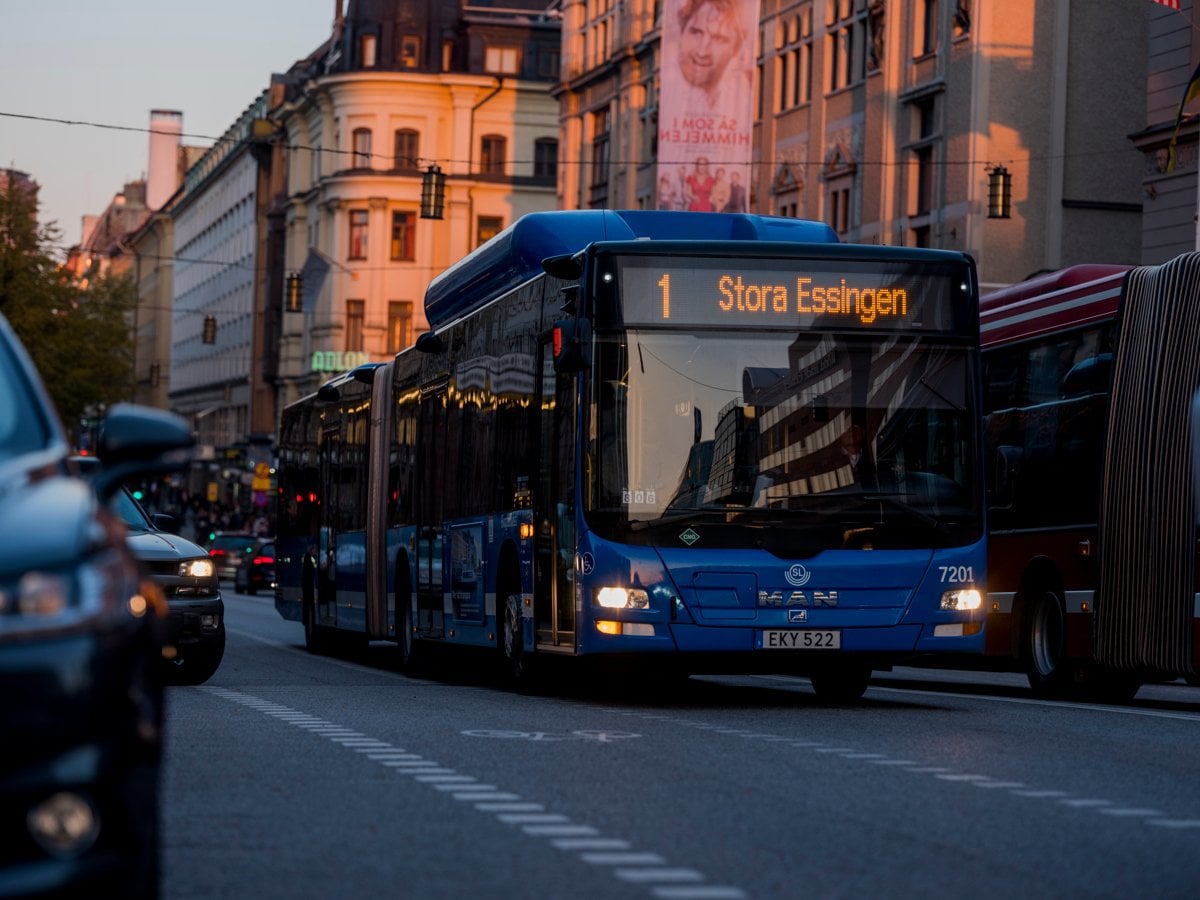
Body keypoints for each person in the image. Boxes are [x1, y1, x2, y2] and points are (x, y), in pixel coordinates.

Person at [676, 0, 749, 114]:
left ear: (736, 48)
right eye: (696, 33)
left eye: (718, 39)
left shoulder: (741, 102)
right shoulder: (669, 94)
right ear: (681, 32)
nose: (702, 51)